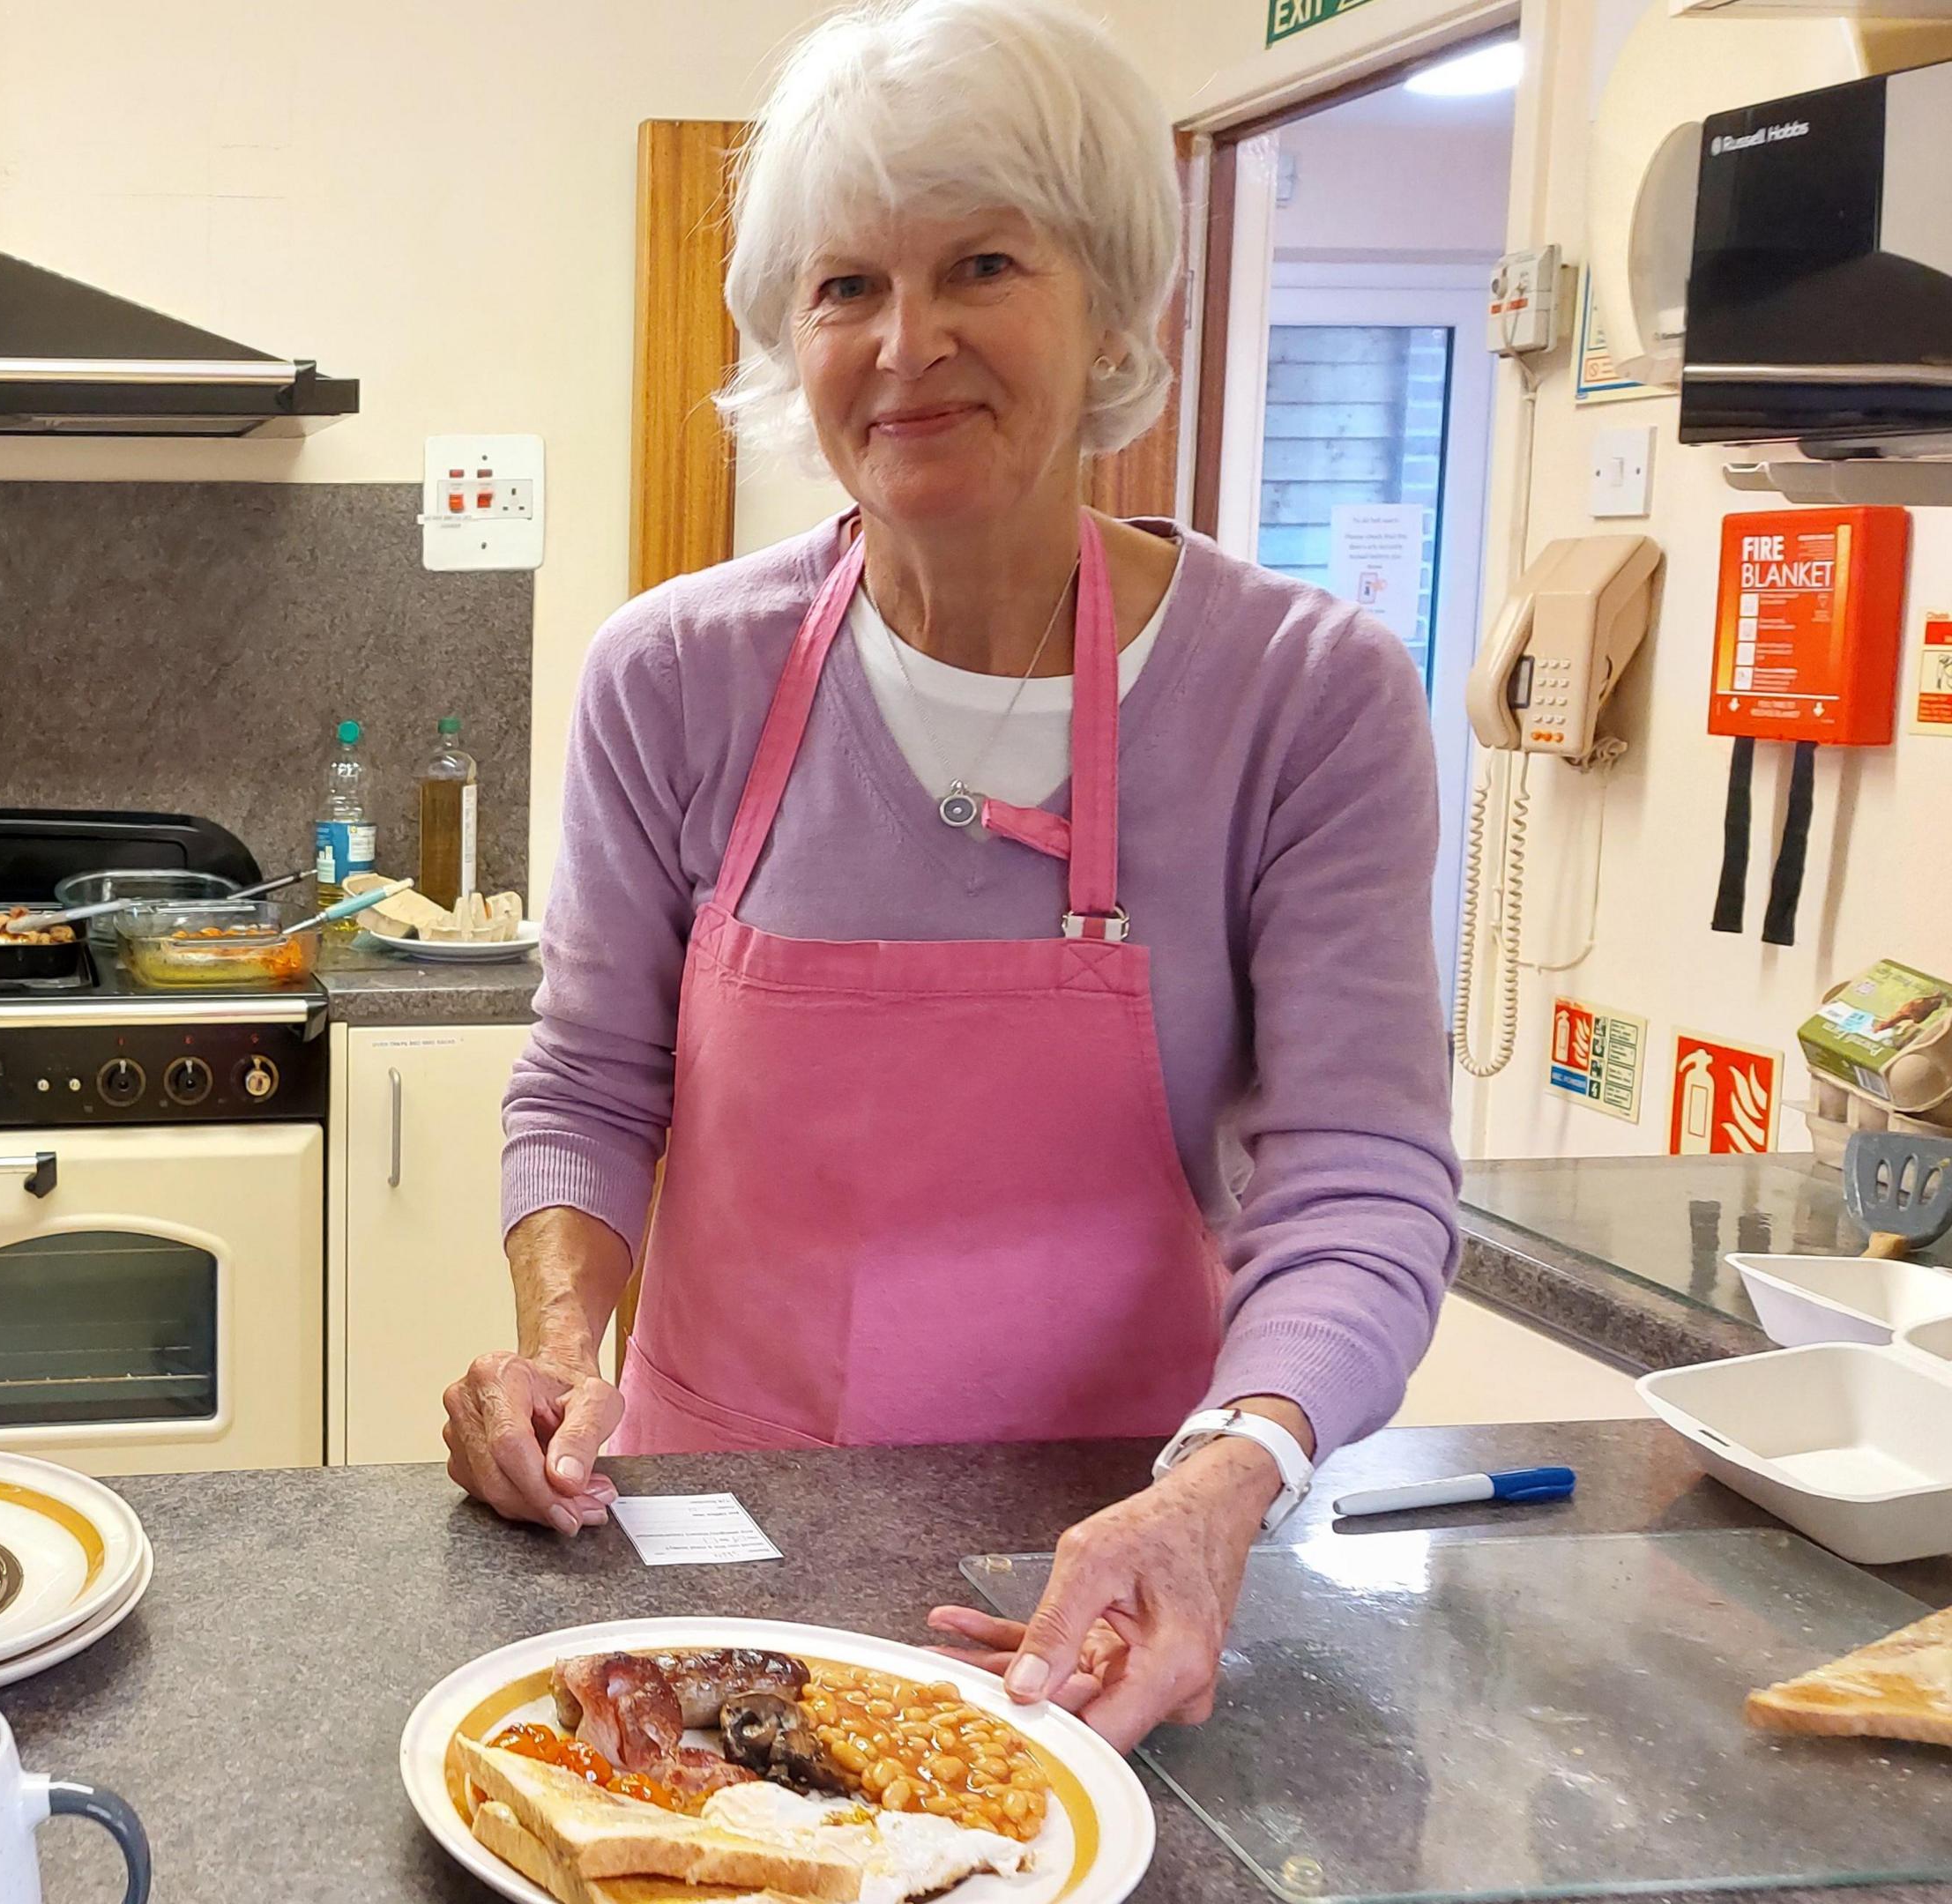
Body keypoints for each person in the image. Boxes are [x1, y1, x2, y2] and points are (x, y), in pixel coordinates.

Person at [440, 0, 1459, 1747]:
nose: (907, 343)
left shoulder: (1304, 694)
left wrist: (1226, 1488)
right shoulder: (674, 675)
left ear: (1121, 304)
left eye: (982, 262)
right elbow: (596, 1075)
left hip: (1111, 1575)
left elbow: (1362, 1181)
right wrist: (556, 1349)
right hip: (719, 1535)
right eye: (846, 288)